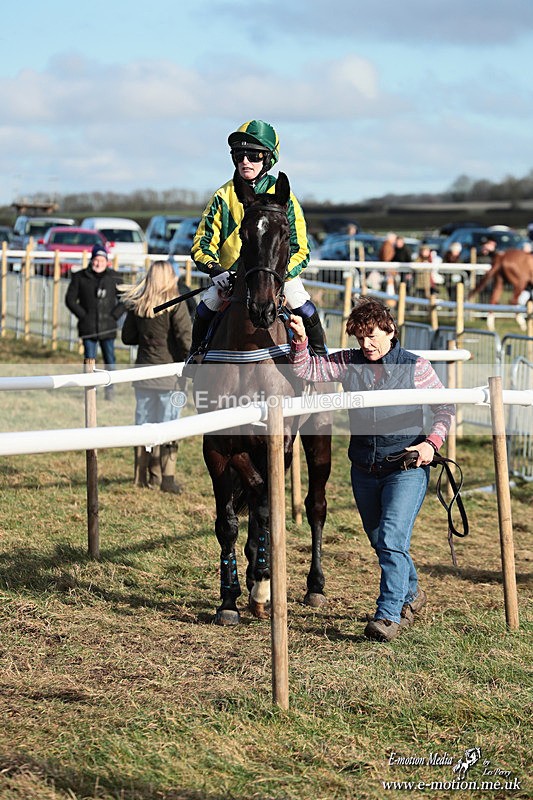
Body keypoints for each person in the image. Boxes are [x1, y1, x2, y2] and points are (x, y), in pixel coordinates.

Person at [287, 297, 454, 642]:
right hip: (364, 468)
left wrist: (431, 444)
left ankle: (388, 615)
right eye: (360, 339)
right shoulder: (349, 362)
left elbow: (445, 407)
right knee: (382, 542)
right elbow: (309, 370)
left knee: (392, 538)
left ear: (390, 331)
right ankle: (412, 594)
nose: (367, 345)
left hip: (406, 466)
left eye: (373, 337)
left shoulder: (416, 366)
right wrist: (301, 340)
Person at [187, 119, 327, 360]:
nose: (245, 161)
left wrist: (279, 277)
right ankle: (195, 357)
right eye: (239, 155)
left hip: (278, 278)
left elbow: (301, 249)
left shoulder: (286, 197)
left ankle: (322, 362)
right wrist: (215, 270)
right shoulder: (223, 196)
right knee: (206, 305)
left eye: (253, 155)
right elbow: (202, 243)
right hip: (230, 279)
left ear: (268, 159)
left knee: (302, 305)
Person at [121, 260, 192, 494]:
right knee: (169, 425)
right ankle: (167, 479)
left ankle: (144, 476)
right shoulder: (176, 305)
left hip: (143, 373)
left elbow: (127, 337)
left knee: (143, 426)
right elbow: (185, 340)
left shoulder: (138, 304)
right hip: (170, 377)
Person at [65, 243, 125, 400]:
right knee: (89, 360)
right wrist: (83, 315)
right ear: (92, 260)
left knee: (110, 359)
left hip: (108, 326)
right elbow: (70, 299)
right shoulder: (80, 277)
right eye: (96, 260)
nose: (99, 263)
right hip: (88, 327)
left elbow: (124, 299)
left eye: (102, 260)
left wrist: (115, 316)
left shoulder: (115, 277)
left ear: (107, 261)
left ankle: (110, 390)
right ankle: (90, 391)